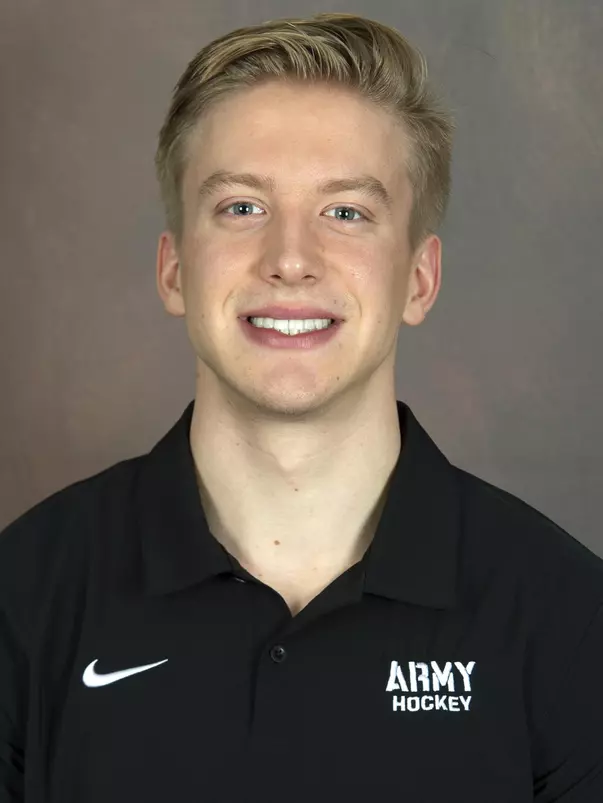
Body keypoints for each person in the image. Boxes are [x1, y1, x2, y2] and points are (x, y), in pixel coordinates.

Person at [1, 11, 602, 802]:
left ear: (418, 279)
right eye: (241, 207)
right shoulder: (25, 595)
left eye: (346, 211)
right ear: (174, 269)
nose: (290, 258)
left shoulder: (566, 618)